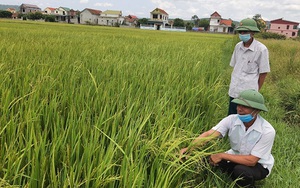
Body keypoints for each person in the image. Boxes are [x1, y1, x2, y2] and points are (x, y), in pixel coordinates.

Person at [180, 89, 275, 188]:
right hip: (235, 157)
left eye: (245, 106)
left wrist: (221, 155)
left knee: (240, 171)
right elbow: (209, 135)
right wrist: (190, 148)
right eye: (239, 105)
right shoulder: (231, 120)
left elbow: (252, 161)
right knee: (205, 161)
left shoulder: (267, 131)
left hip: (258, 165)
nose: (239, 109)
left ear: (257, 110)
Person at [228, 18, 270, 115]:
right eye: (241, 31)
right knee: (232, 118)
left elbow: (263, 73)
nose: (242, 34)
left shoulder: (261, 49)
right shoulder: (238, 46)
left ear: (252, 33)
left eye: (245, 31)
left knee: (246, 120)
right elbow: (235, 66)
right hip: (234, 91)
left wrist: (256, 91)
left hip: (249, 95)